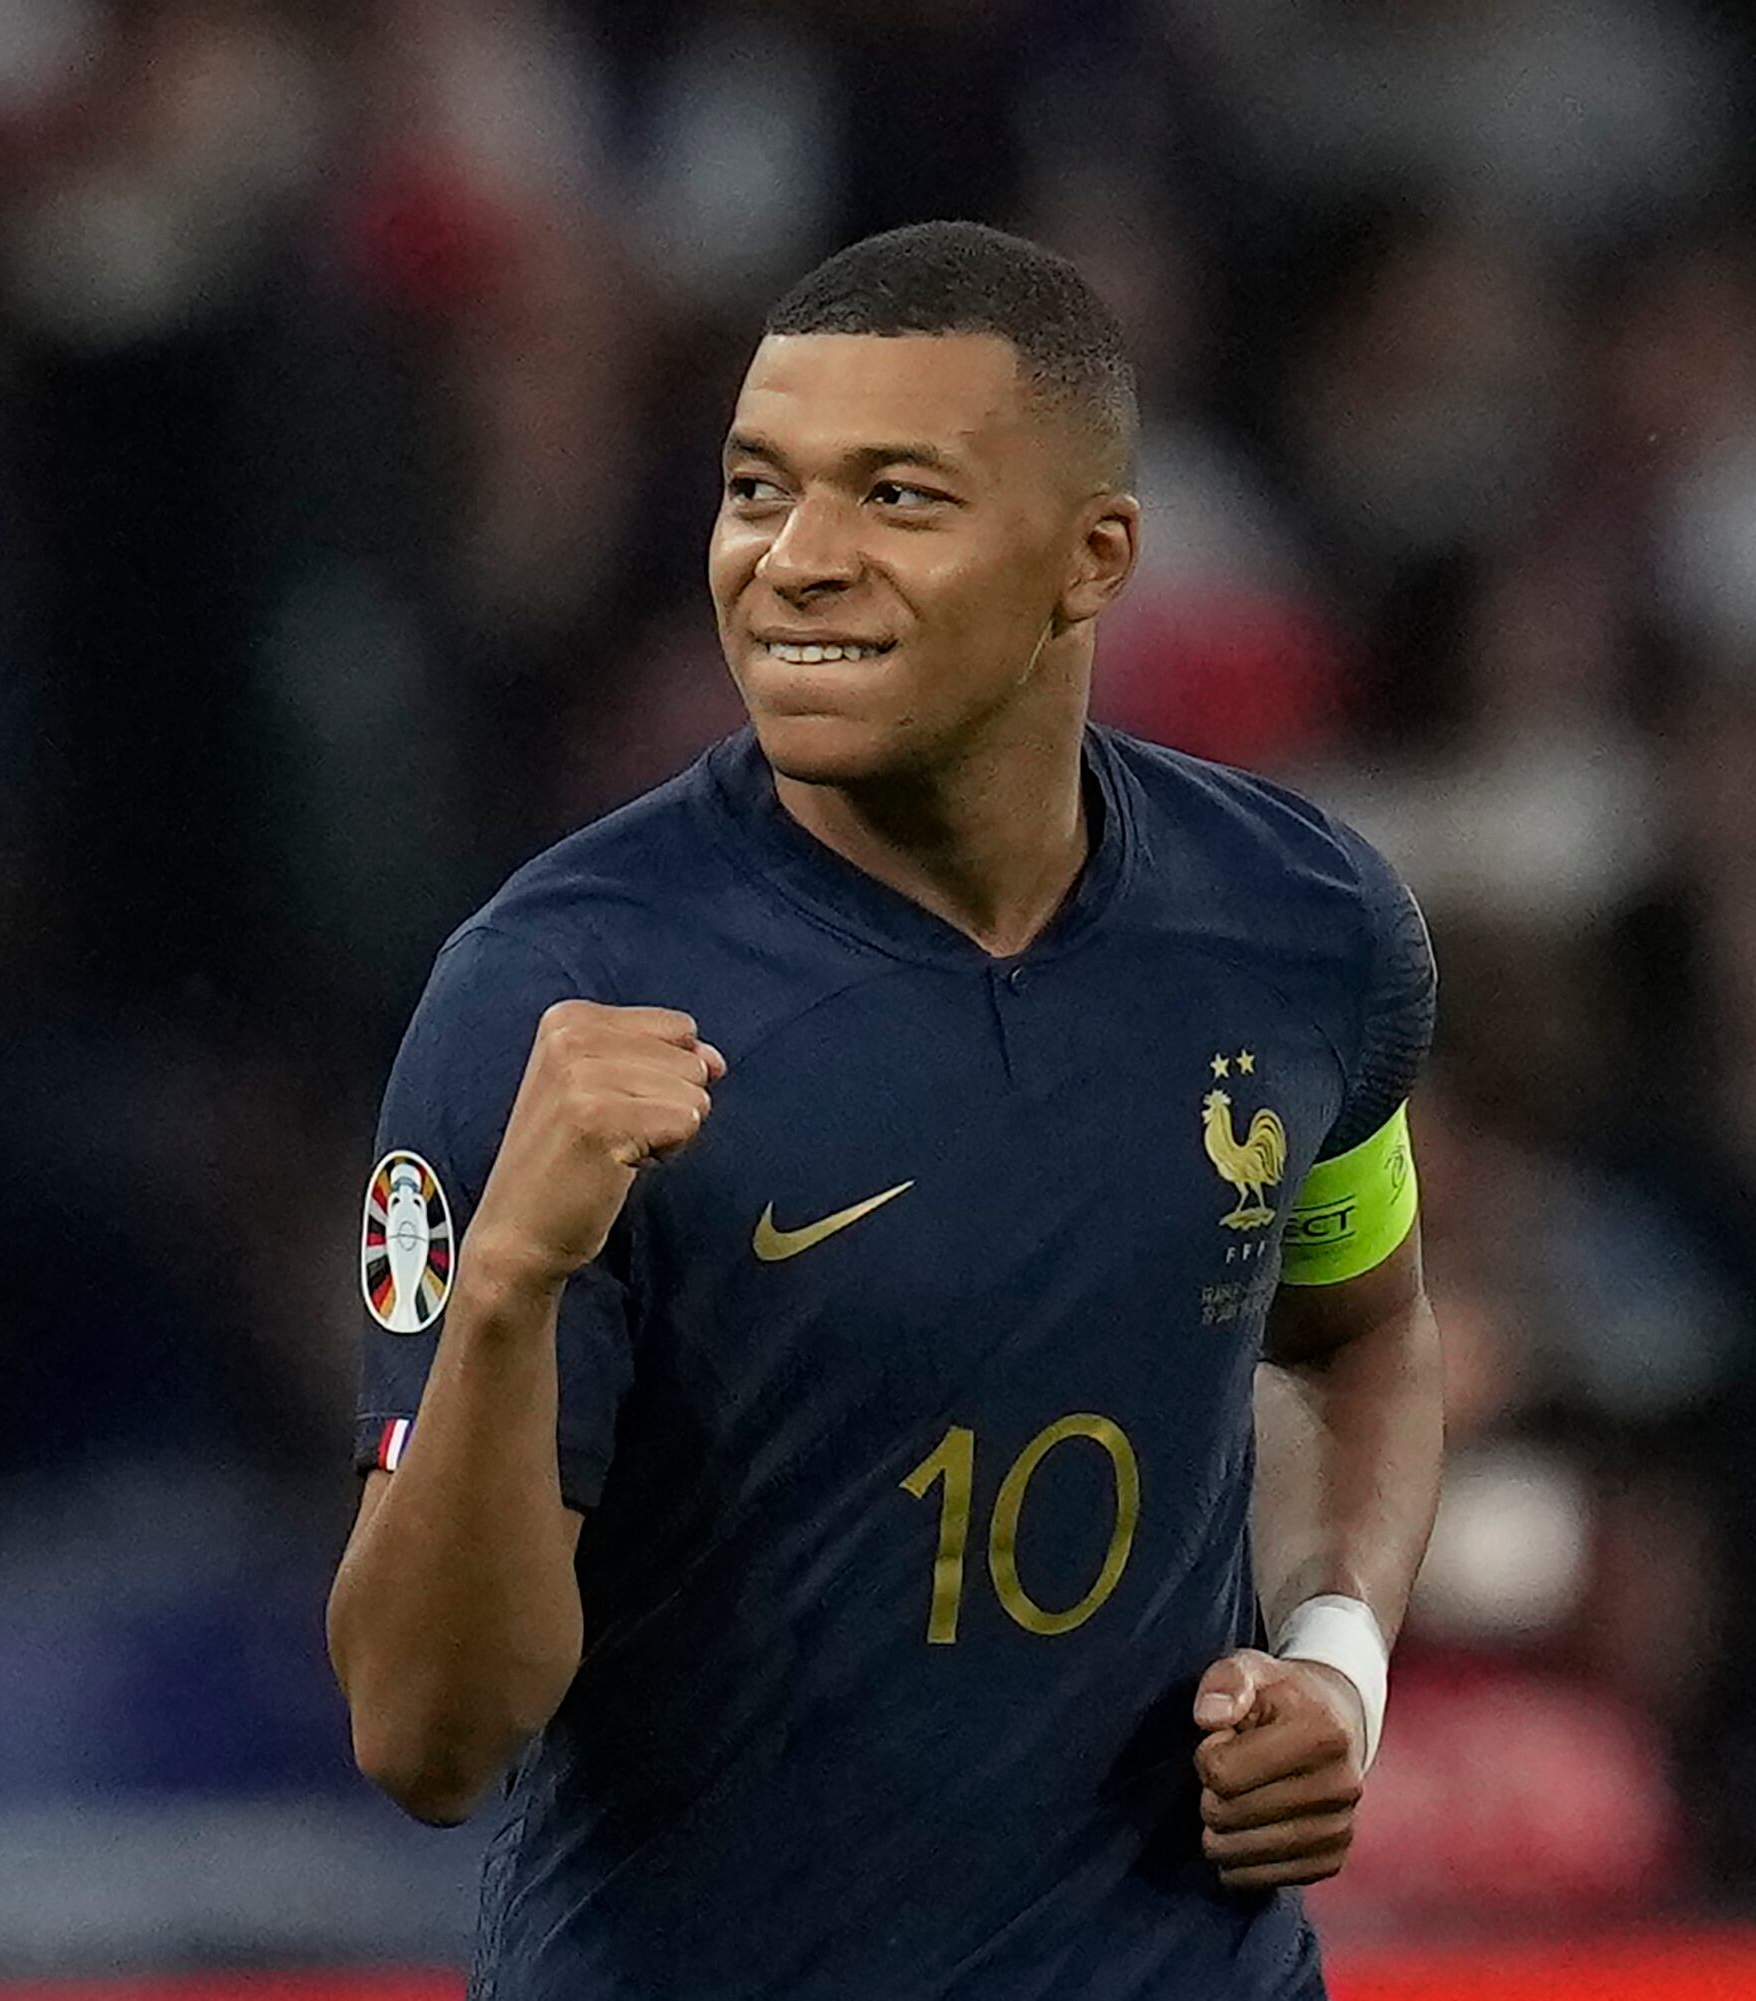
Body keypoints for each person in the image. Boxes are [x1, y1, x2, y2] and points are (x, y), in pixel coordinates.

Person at [327, 223, 1443, 1999]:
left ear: (1094, 560)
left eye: (897, 497)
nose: (796, 561)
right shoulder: (547, 996)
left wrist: (1333, 1656)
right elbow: (423, 1734)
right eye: (755, 488)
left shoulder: (1303, 932)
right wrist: (510, 1293)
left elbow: (1346, 1332)